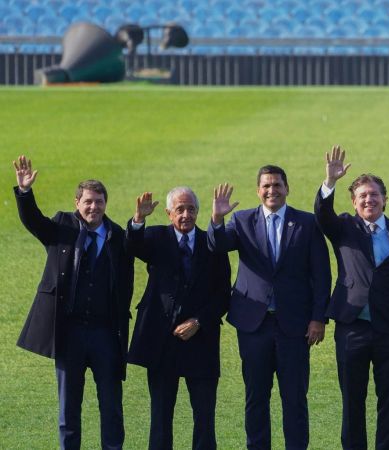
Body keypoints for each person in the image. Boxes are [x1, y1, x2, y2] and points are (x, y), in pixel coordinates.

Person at [13, 155, 134, 449]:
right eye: (88, 202)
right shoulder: (62, 226)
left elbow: (126, 282)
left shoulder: (117, 236)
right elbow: (33, 222)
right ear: (77, 203)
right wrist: (25, 193)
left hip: (106, 334)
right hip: (70, 334)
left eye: (99, 202)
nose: (93, 207)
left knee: (112, 407)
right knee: (69, 409)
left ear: (106, 204)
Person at [207, 165, 331, 450]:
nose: (271, 191)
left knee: (295, 398)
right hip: (254, 326)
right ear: (258, 190)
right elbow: (217, 245)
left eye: (277, 185)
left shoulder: (307, 223)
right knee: (256, 397)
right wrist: (216, 218)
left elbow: (321, 274)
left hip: (295, 327)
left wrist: (318, 318)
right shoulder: (241, 220)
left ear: (287, 188)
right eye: (266, 186)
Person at [314, 145, 389, 450]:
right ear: (353, 201)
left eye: (374, 194)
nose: (368, 199)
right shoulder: (344, 227)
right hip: (352, 329)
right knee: (353, 402)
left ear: (385, 199)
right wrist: (330, 182)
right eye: (362, 195)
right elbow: (322, 215)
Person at [126, 188, 231, 450]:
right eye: (180, 210)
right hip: (162, 341)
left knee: (205, 417)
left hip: (201, 341)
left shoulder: (213, 244)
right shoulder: (156, 237)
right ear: (168, 213)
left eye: (191, 209)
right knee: (160, 416)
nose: (186, 215)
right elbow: (132, 246)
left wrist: (199, 321)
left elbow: (223, 295)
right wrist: (138, 219)